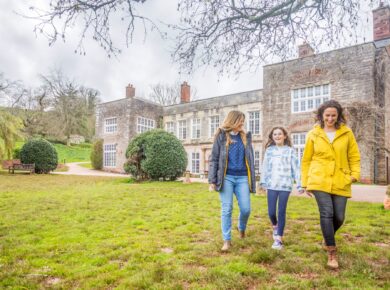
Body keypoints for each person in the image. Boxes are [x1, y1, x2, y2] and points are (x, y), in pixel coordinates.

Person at [301, 100, 360, 269]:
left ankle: (327, 237)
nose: (330, 118)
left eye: (334, 115)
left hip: (342, 178)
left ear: (338, 115)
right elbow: (306, 160)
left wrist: (354, 175)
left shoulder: (347, 133)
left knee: (339, 217)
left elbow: (354, 156)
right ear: (321, 115)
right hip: (319, 179)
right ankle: (332, 252)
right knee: (326, 213)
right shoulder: (313, 134)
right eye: (327, 115)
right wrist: (305, 182)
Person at [208, 110, 256, 252]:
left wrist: (254, 180)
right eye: (240, 120)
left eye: (243, 121)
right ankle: (227, 240)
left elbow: (251, 159)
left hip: (242, 178)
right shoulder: (221, 136)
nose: (243, 123)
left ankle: (241, 227)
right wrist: (212, 179)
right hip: (226, 177)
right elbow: (214, 158)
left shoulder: (246, 136)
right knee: (227, 208)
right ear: (233, 121)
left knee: (246, 209)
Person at [260, 127, 303, 250]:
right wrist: (263, 182)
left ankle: (278, 239)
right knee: (271, 212)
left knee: (281, 211)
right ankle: (275, 226)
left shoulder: (290, 151)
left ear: (285, 136)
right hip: (272, 185)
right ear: (272, 137)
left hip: (285, 185)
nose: (277, 136)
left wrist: (300, 184)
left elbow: (296, 168)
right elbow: (265, 167)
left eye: (280, 134)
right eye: (275, 134)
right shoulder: (269, 151)